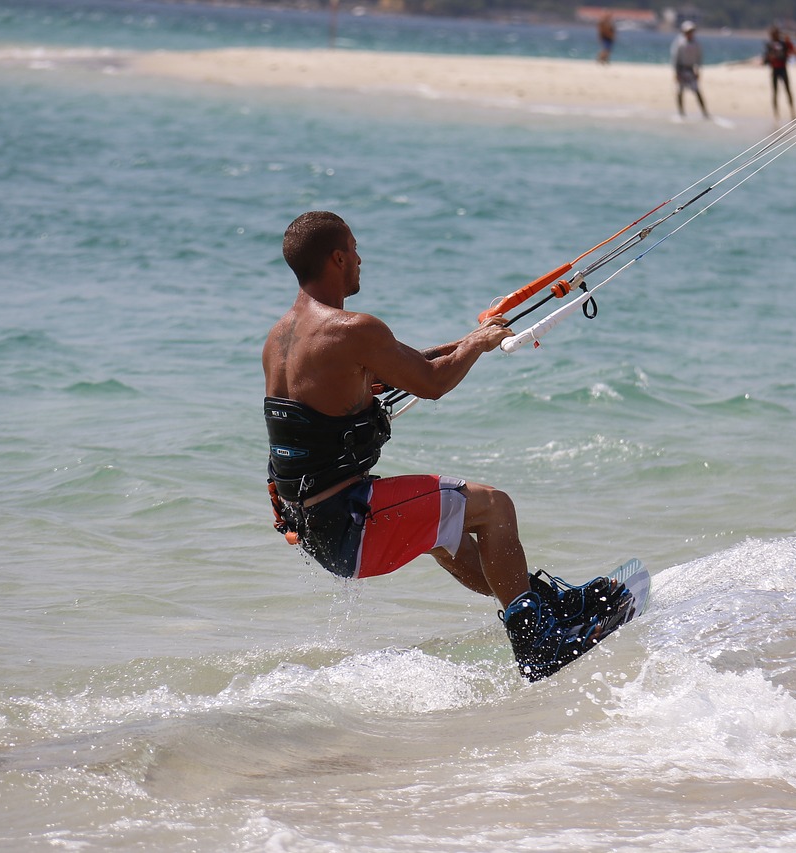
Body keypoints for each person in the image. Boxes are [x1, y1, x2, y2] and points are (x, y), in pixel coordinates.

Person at [263, 211, 632, 681]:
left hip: (317, 531)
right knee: (494, 506)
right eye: (354, 249)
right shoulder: (352, 329)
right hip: (352, 522)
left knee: (447, 533)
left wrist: (475, 338)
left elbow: (405, 363)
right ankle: (537, 641)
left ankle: (539, 606)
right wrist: (476, 347)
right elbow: (431, 383)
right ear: (337, 258)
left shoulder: (280, 339)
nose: (361, 259)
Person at [764, 26, 796, 121]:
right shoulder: (770, 45)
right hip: (775, 70)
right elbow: (767, 58)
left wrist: (788, 41)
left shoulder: (783, 43)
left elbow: (791, 50)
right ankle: (776, 114)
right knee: (775, 92)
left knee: (787, 90)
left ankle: (792, 112)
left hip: (783, 68)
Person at [671, 20, 710, 120]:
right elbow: (675, 58)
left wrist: (698, 70)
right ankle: (681, 113)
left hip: (691, 69)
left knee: (697, 91)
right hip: (681, 69)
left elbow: (699, 58)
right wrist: (676, 73)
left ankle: (705, 113)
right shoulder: (679, 43)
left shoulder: (696, 43)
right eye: (688, 31)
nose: (690, 33)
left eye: (691, 31)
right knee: (680, 91)